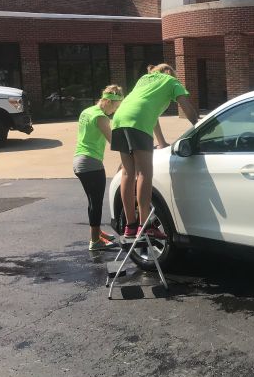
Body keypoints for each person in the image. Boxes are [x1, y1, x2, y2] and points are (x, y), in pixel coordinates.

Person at [111, 63, 199, 241]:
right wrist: (198, 126)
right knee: (144, 173)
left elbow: (150, 114)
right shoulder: (172, 82)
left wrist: (162, 142)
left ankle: (130, 226)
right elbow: (187, 109)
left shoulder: (145, 79)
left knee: (127, 173)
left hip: (119, 120)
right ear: (171, 74)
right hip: (138, 122)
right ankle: (146, 226)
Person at [73, 85, 125, 260]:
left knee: (92, 201)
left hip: (79, 160)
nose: (115, 110)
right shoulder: (101, 117)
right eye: (116, 106)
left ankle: (97, 232)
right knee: (95, 203)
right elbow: (114, 142)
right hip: (91, 163)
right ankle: (95, 241)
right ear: (108, 101)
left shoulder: (87, 111)